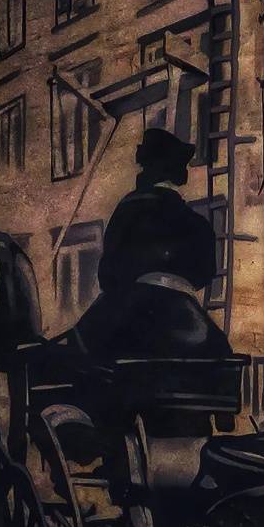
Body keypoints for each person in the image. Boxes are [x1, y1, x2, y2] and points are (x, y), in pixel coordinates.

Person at [73, 128, 231, 364]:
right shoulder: (196, 223)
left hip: (129, 310)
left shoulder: (126, 211)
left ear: (146, 169)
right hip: (186, 316)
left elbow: (108, 273)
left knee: (84, 350)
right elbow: (205, 273)